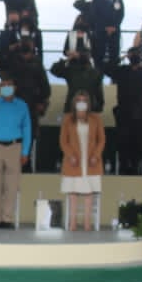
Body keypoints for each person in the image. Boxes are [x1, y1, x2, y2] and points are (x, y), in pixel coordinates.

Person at [0, 80, 31, 228]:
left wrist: (25, 151)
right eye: (3, 85)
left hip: (15, 147)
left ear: (15, 87)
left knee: (12, 185)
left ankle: (7, 218)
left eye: (9, 85)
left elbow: (27, 129)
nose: (6, 88)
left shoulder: (22, 106)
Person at [59, 92, 106, 230]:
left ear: (88, 102)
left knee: (89, 192)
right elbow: (63, 140)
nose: (81, 102)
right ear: (74, 103)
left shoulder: (95, 118)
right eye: (78, 100)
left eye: (84, 100)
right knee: (73, 192)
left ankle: (87, 223)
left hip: (91, 160)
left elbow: (101, 139)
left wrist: (96, 155)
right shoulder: (68, 119)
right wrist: (70, 155)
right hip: (74, 160)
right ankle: (72, 223)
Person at [75, 0, 125, 68]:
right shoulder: (93, 0)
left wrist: (114, 26)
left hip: (114, 32)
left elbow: (121, 13)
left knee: (114, 58)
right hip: (99, 32)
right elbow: (92, 13)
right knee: (98, 58)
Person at [51, 49, 104, 114]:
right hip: (89, 107)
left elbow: (53, 69)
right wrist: (99, 107)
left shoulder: (71, 71)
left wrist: (68, 59)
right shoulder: (95, 72)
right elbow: (99, 93)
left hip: (72, 106)